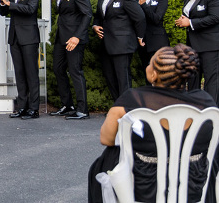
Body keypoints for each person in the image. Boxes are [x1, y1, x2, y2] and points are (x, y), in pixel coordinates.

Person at [87, 44, 215, 203]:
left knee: (109, 154)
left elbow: (106, 139)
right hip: (192, 187)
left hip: (144, 188)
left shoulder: (133, 99)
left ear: (153, 74)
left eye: (150, 63)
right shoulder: (206, 102)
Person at [92, 0, 146, 101]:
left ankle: (127, 107)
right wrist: (95, 25)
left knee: (123, 78)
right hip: (105, 43)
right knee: (109, 77)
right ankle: (117, 106)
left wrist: (140, 36)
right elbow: (98, 15)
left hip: (122, 44)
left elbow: (139, 17)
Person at [0, 0, 41, 120]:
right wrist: (2, 1)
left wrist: (10, 4)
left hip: (29, 37)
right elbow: (3, 12)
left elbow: (30, 9)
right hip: (14, 37)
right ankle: (22, 107)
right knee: (19, 74)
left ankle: (34, 109)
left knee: (31, 73)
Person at [50, 0, 92, 120]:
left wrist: (77, 37)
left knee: (75, 71)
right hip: (61, 37)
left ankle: (82, 109)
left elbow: (87, 14)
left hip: (74, 38)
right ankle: (67, 105)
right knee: (58, 69)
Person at [176, 0, 219, 102]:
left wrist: (190, 23)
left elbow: (215, 17)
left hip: (209, 45)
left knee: (211, 79)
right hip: (192, 45)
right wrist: (182, 21)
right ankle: (194, 106)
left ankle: (211, 108)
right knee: (192, 77)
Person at [138, 0, 169, 80]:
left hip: (157, 42)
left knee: (159, 73)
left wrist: (143, 5)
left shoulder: (162, 0)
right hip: (143, 42)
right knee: (147, 72)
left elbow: (156, 19)